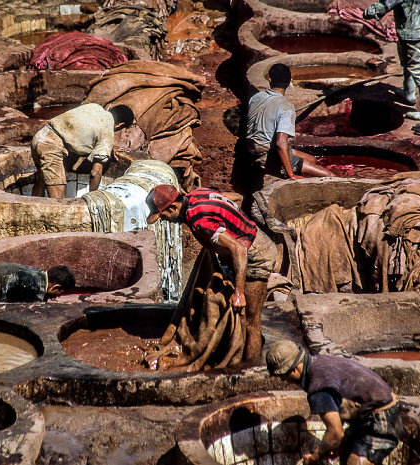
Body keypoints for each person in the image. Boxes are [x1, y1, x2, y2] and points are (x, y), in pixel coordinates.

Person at [146, 184, 278, 360]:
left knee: (250, 322)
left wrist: (239, 293)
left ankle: (251, 369)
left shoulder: (199, 221)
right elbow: (237, 197)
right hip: (248, 242)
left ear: (173, 207)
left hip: (256, 256)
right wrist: (234, 226)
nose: (164, 220)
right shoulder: (196, 194)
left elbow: (239, 249)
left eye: (163, 216)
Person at [265, 340, 403, 465]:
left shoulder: (318, 389)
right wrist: (330, 446)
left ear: (294, 369)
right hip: (370, 414)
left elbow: (336, 433)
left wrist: (316, 456)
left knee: (355, 462)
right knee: (344, 448)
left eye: (282, 376)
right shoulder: (319, 361)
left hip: (382, 419)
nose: (284, 381)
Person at [246, 63, 335, 180]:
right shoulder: (286, 107)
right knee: (330, 176)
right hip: (269, 155)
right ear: (289, 82)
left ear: (269, 79)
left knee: (312, 160)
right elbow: (280, 143)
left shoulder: (256, 97)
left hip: (253, 149)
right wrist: (291, 174)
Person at [364, 0, 420, 121]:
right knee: (407, 61)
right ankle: (409, 94)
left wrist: (371, 11)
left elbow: (387, 3)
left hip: (414, 27)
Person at [31, 103, 136, 198]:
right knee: (59, 203)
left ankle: (32, 214)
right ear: (120, 125)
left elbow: (84, 131)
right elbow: (95, 173)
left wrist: (108, 149)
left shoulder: (94, 107)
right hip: (51, 147)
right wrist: (92, 200)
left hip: (41, 136)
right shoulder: (107, 131)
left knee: (41, 180)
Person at [0, 262, 76, 302]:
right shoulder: (34, 290)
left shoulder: (38, 273)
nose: (58, 296)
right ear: (55, 287)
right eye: (61, 293)